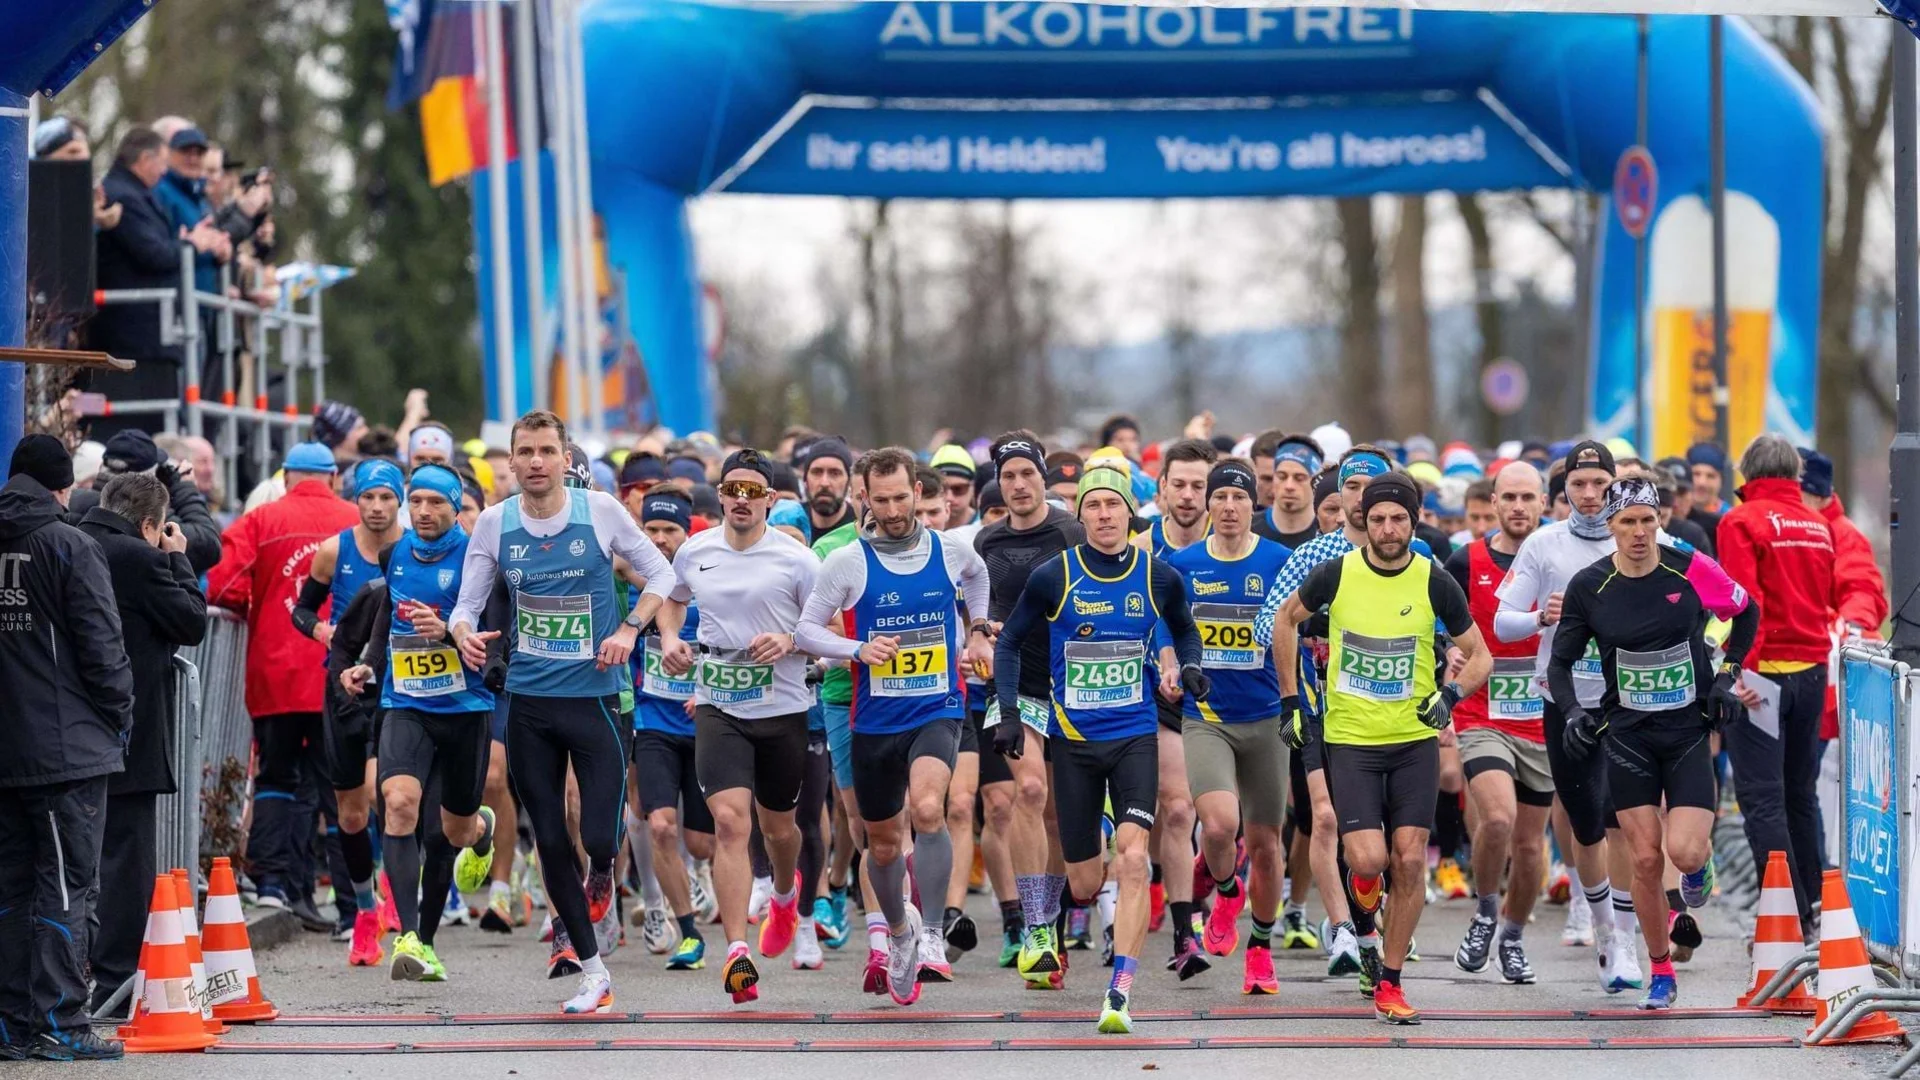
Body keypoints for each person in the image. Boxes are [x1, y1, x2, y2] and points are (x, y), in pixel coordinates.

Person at [449, 411, 676, 1013]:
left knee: (597, 834)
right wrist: (465, 633)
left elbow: (662, 572)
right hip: (528, 702)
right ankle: (591, 969)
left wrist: (630, 628)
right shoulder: (495, 523)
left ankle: (603, 870)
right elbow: (466, 605)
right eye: (525, 452)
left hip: (595, 698)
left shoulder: (599, 511)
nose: (535, 462)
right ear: (513, 460)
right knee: (550, 835)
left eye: (547, 450)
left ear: (564, 455)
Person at [1268, 471, 1492, 1025]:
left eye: (1398, 519)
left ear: (1413, 523)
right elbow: (1283, 621)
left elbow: (1480, 654)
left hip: (1413, 739)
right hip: (1350, 740)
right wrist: (1292, 699)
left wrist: (1451, 693)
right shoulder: (1335, 574)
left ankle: (1390, 980)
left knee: (1410, 857)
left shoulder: (1432, 579)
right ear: (1362, 523)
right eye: (1377, 519)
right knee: (1367, 860)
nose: (1388, 529)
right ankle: (1365, 919)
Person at [993, 465, 1208, 1034]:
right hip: (1076, 743)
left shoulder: (1158, 577)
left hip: (1135, 736)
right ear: (1080, 515)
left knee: (1135, 858)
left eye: (1114, 505)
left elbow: (1184, 629)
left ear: (1129, 512)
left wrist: (1189, 666)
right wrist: (1011, 713)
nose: (1105, 515)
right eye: (1094, 506)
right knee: (1086, 882)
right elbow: (1011, 642)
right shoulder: (1053, 576)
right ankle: (1048, 918)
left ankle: (1121, 991)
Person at [1551, 476, 1759, 1009]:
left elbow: (1747, 612)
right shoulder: (1588, 586)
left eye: (1648, 520)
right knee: (1644, 860)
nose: (1640, 532)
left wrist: (1724, 677)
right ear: (1610, 527)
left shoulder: (1687, 569)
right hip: (1627, 735)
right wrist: (1574, 711)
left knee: (1684, 851)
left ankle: (1698, 869)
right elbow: (1560, 661)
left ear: (1658, 521)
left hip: (1687, 731)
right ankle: (1660, 969)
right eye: (1627, 523)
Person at [796, 447, 992, 1004]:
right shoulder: (848, 562)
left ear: (917, 493)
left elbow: (977, 579)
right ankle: (899, 933)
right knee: (879, 845)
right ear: (865, 499)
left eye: (902, 497)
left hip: (937, 707)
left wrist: (977, 630)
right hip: (875, 719)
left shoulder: (950, 550)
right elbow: (807, 631)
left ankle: (931, 934)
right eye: (880, 500)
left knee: (929, 809)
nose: (894, 509)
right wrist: (858, 648)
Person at [1252, 445, 1433, 986]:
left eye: (1371, 489)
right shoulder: (1317, 558)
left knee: (1389, 848)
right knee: (1327, 819)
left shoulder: (1420, 557)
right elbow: (1269, 625)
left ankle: (1373, 921)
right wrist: (1319, 633)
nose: (1360, 500)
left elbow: (1449, 633)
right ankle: (1348, 932)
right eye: (1350, 489)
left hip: (1396, 720)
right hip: (1322, 711)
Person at [652, 447, 817, 1005]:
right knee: (728, 824)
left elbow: (826, 628)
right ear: (720, 495)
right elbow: (671, 603)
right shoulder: (695, 550)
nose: (741, 500)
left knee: (778, 831)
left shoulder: (796, 558)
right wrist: (673, 639)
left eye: (753, 492)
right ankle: (737, 954)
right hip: (718, 701)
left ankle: (787, 894)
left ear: (770, 499)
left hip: (783, 705)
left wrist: (791, 639)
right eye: (733, 490)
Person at [1492, 440, 1645, 987]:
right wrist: (1539, 617)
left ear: (1614, 487)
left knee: (1620, 819)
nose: (1588, 495)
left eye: (1599, 485)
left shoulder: (1638, 535)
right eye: (1577, 486)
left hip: (1627, 702)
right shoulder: (1544, 544)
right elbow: (1501, 623)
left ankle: (1623, 941)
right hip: (1564, 702)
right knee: (1585, 827)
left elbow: (1693, 590)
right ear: (1563, 492)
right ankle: (1604, 928)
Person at [0, 436, 134, 1061]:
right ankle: (59, 1021)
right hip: (64, 749)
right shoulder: (68, 543)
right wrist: (118, 720)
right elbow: (104, 652)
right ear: (61, 488)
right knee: (66, 885)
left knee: (10, 884)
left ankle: (10, 1022)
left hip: (7, 748)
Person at [339, 464, 498, 982]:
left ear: (457, 507)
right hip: (405, 703)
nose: (425, 512)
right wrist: (370, 663)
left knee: (448, 830)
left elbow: (496, 645)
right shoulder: (396, 554)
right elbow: (389, 618)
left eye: (437, 503)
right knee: (400, 806)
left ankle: (478, 831)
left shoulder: (479, 558)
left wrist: (449, 633)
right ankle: (413, 937)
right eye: (419, 501)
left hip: (465, 710)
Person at [207, 442, 361, 922]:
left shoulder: (260, 520)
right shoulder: (357, 519)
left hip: (275, 672)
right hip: (341, 672)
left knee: (275, 776)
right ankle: (350, 902)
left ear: (288, 476)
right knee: (340, 786)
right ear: (333, 476)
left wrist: (259, 604)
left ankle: (273, 884)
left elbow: (223, 586)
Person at [78, 473, 207, 1019]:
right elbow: (193, 621)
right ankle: (117, 977)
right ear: (152, 524)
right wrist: (179, 559)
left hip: (64, 729)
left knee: (72, 856)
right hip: (128, 727)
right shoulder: (143, 557)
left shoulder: (69, 538)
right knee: (125, 854)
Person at [1166, 460, 1294, 994]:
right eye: (1219, 498)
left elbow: (1300, 625)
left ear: (1252, 506)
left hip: (1266, 717)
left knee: (1266, 843)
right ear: (1210, 506)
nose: (1228, 507)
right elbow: (1164, 626)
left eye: (1238, 498)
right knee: (1218, 825)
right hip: (1207, 717)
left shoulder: (1279, 561)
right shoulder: (1183, 563)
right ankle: (1224, 886)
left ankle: (1260, 949)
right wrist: (1170, 664)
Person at [1715, 434, 1841, 931]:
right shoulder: (1818, 525)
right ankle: (1812, 907)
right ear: (1793, 474)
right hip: (1812, 672)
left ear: (1747, 473)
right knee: (1800, 794)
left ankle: (1783, 916)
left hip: (1762, 676)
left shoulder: (1739, 521)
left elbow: (1744, 605)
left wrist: (1740, 669)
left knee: (1762, 798)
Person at [975, 431, 1083, 981]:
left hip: (1077, 683)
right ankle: (1036, 924)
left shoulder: (1073, 530)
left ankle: (1058, 925)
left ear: (1044, 478)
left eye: (1027, 475)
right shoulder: (985, 543)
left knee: (1061, 816)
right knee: (1030, 789)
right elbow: (972, 603)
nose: (1018, 485)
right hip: (1015, 681)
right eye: (1008, 476)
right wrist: (979, 632)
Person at [1444, 462, 1550, 985]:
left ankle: (1511, 934)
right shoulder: (1467, 559)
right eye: (1508, 497)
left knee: (1531, 845)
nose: (1516, 507)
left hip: (1541, 718)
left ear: (1544, 503)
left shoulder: (1559, 558)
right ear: (1495, 500)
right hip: (1481, 713)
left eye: (1527, 497)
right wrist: (1448, 653)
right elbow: (1439, 618)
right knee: (1499, 820)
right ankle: (1486, 913)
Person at [1134, 438, 1213, 975]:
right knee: (1178, 808)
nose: (1187, 496)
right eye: (1178, 484)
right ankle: (1186, 936)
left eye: (1199, 486)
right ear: (1160, 489)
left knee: (1226, 822)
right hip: (1153, 693)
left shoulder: (1235, 542)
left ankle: (1212, 883)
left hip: (1224, 698)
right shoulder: (1139, 548)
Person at [628, 490, 712, 972]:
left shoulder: (710, 584)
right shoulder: (634, 585)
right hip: (653, 722)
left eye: (670, 531)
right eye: (652, 531)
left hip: (707, 726)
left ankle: (699, 869)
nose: (660, 540)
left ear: (687, 535)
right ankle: (689, 932)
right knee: (659, 824)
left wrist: (708, 689)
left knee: (701, 842)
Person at [87, 128, 194, 439]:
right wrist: (190, 246)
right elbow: (153, 254)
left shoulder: (132, 193)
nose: (164, 171)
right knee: (132, 430)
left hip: (145, 337)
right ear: (145, 158)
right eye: (161, 162)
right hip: (132, 337)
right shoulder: (123, 194)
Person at [1253, 436, 1325, 549]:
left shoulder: (1326, 532)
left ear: (1316, 481)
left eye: (1299, 478)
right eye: (1282, 477)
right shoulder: (1249, 529)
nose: (1289, 486)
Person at [797, 437, 858, 542]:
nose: (824, 483)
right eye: (817, 472)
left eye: (835, 473)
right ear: (805, 479)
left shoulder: (859, 527)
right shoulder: (791, 522)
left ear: (849, 481)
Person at [1686, 443, 1730, 534]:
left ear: (1721, 481)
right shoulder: (1675, 515)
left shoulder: (1730, 519)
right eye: (1696, 474)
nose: (1702, 483)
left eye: (1710, 476)